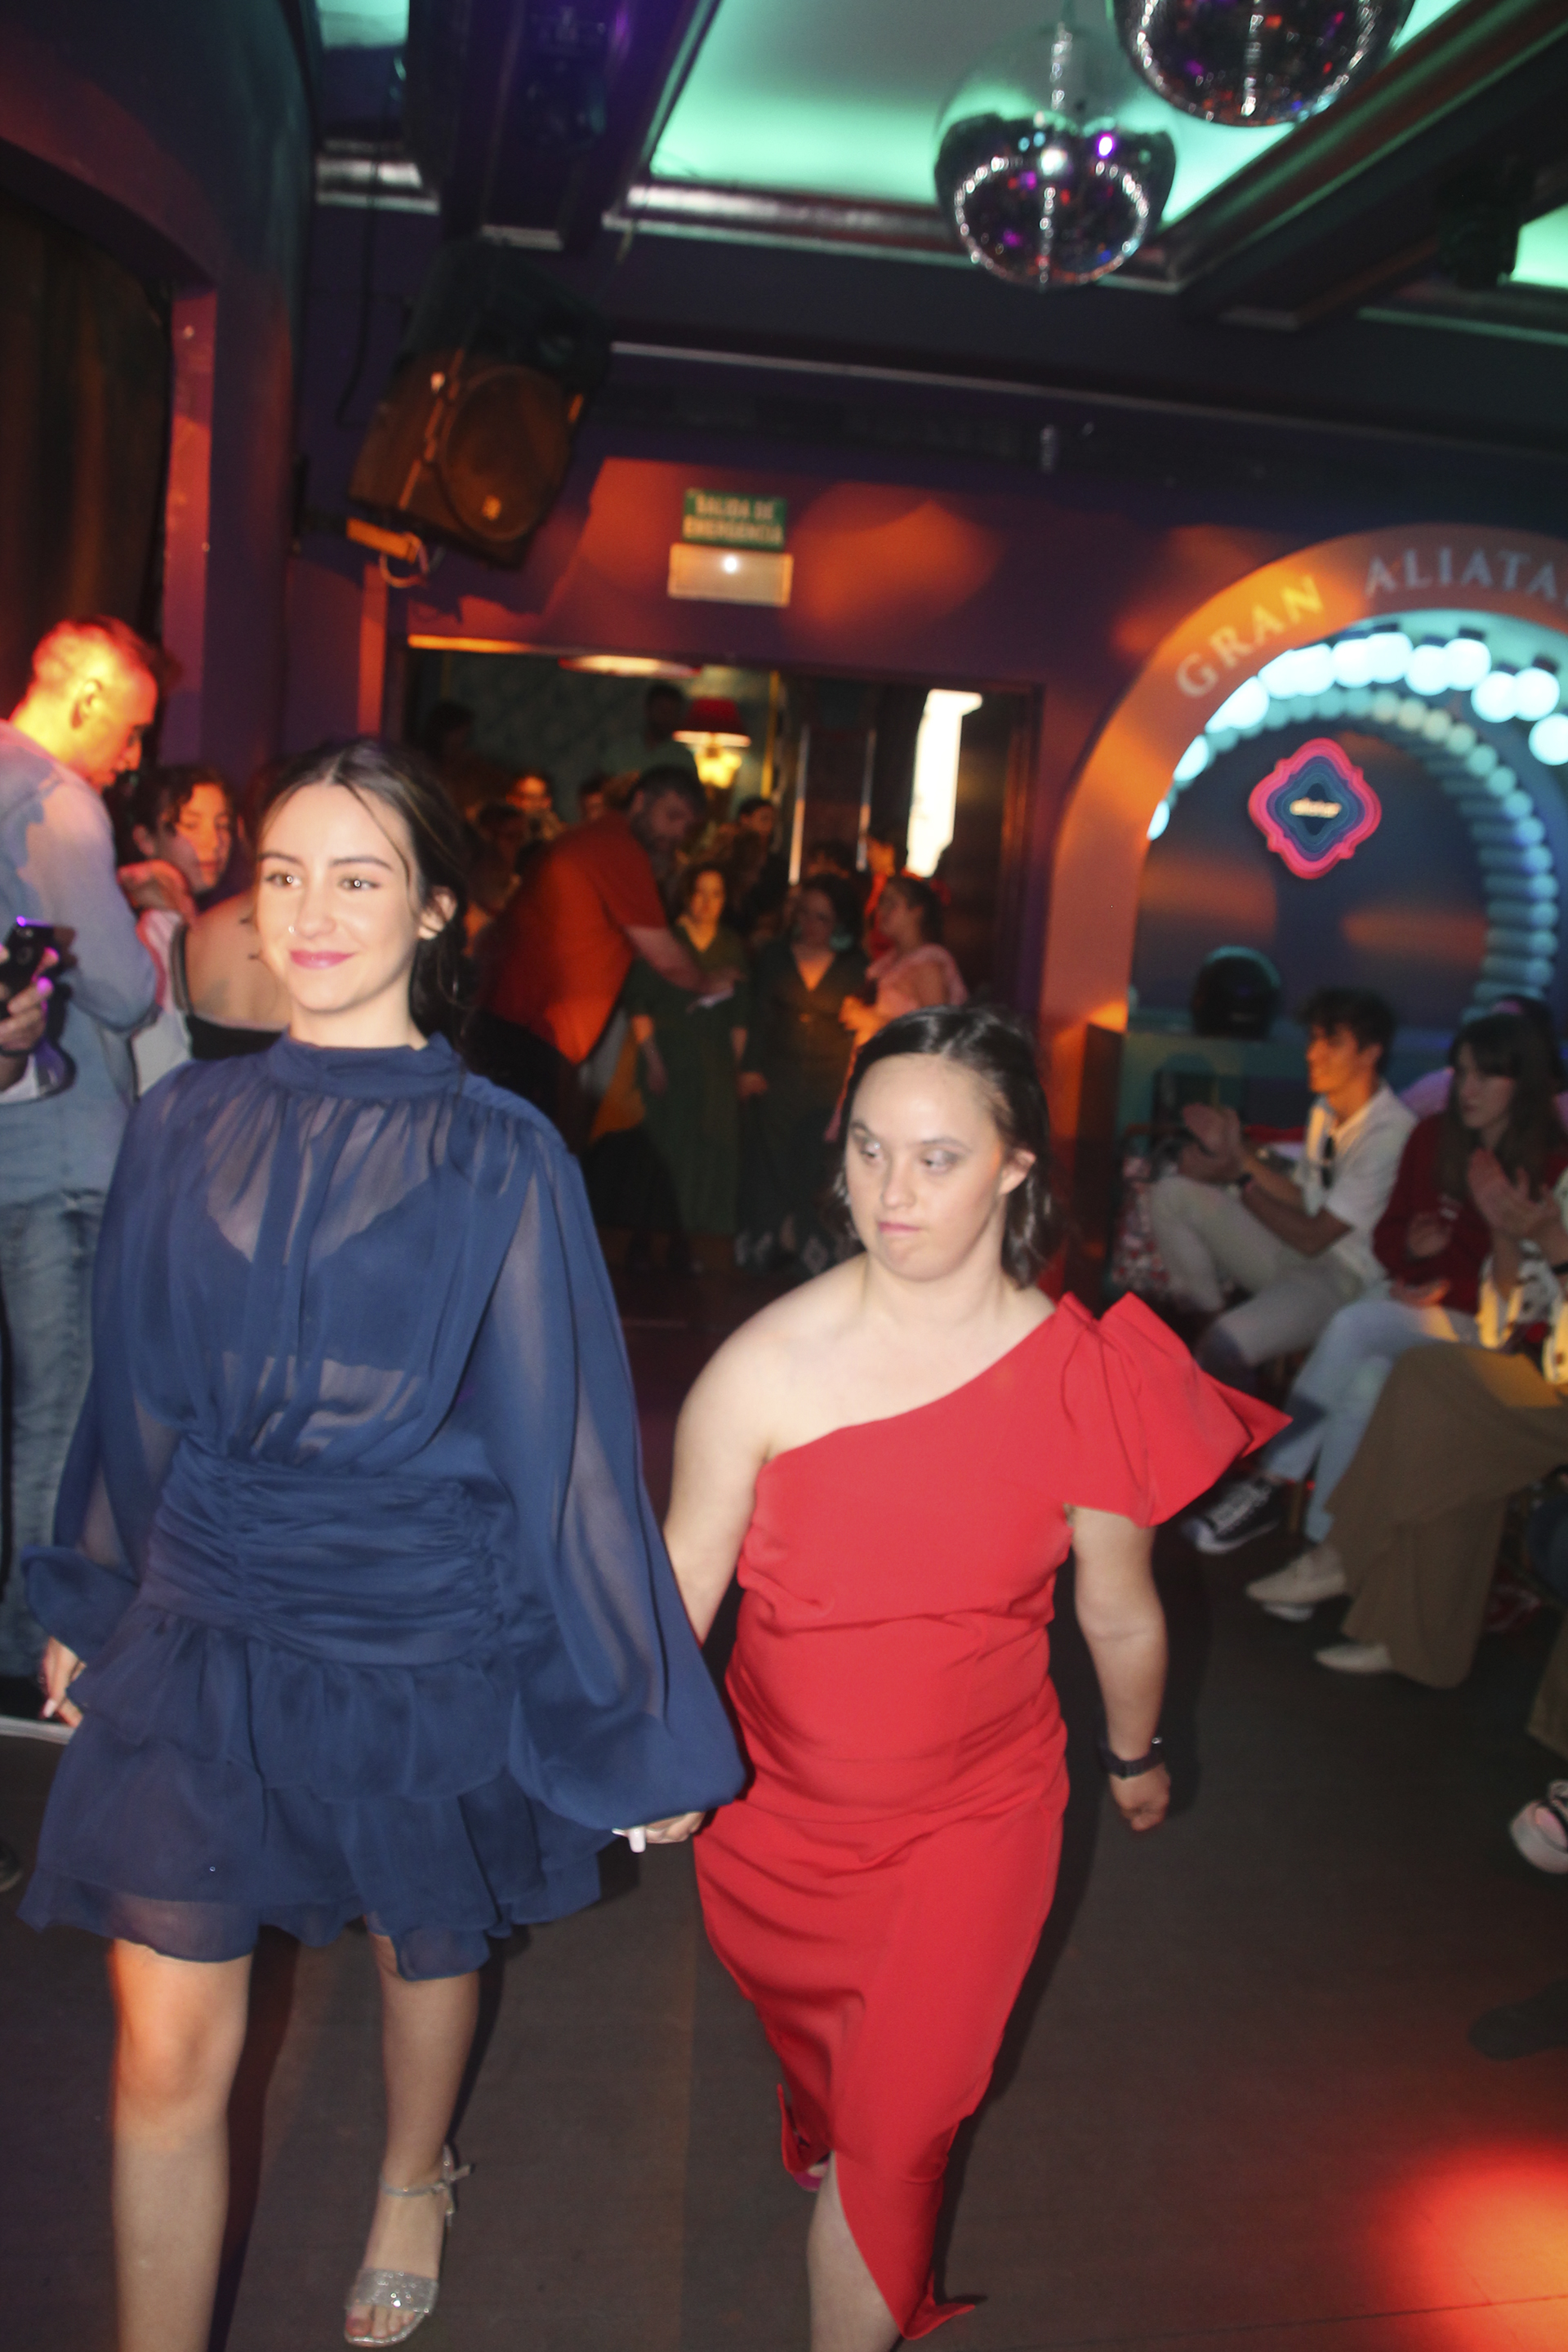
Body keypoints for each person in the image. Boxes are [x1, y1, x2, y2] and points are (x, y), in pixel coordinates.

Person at [21, 738, 741, 2352]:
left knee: (426, 1935)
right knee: (161, 2049)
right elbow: (131, 1387)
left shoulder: (502, 1152)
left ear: (432, 911)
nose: (312, 913)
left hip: (411, 1615)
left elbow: (567, 1454)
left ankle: (414, 2173)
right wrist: (94, 1588)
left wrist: (630, 1710)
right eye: (284, 875)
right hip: (206, 1602)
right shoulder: (184, 1117)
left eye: (359, 878)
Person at [657, 1004, 1281, 2349]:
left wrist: (1133, 1755)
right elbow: (677, 1587)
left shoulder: (1085, 1380)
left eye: (936, 1158)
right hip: (775, 1820)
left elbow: (1119, 1614)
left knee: (897, 2140)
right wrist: (648, 1751)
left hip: (976, 1818)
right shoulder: (761, 1368)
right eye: (868, 1150)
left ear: (1013, 1166)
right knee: (830, 2068)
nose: (890, 1192)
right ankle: (829, 2108)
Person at [1183, 1011, 1568, 1571]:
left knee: (1354, 1325)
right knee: (1364, 1380)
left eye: (1487, 1076)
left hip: (1486, 1326)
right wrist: (1411, 1252)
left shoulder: (1550, 1165)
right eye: (1462, 1073)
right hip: (1406, 1301)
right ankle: (1321, 1549)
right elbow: (1385, 1238)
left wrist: (1445, 1283)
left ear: (1522, 1082)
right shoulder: (1432, 1137)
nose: (1469, 1088)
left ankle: (1273, 1483)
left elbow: (1532, 1292)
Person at [0, 616, 166, 1686]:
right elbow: (122, 987)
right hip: (58, 1159)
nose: (134, 755)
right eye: (134, 728)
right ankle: (30, 1665)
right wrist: (143, 923)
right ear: (89, 696)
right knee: (60, 1423)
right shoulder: (55, 796)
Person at [1147, 987, 1414, 1388]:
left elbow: (1313, 1236)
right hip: (1293, 1254)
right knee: (1171, 1194)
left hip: (1342, 1278)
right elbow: (1303, 1198)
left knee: (1222, 1348)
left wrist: (1238, 1177)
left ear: (1370, 1053)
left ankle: (1224, 1361)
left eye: (1332, 1043)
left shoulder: (1388, 1134)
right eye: (1313, 1039)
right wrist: (1238, 1155)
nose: (1313, 1053)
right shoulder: (1326, 1108)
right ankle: (1215, 1335)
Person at [466, 764, 711, 1145]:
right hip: (529, 1027)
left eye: (687, 826)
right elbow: (666, 959)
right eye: (672, 816)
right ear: (640, 802)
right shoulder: (620, 848)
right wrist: (712, 983)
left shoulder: (597, 839)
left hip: (517, 1020)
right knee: (514, 1155)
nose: (678, 833)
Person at [736, 874, 868, 1276]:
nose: (809, 925)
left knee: (816, 1165)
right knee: (770, 1163)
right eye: (804, 914)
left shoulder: (857, 966)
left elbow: (865, 1027)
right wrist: (749, 1067)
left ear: (840, 922)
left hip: (829, 1081)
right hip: (777, 1077)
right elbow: (759, 1016)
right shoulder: (777, 955)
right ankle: (766, 1248)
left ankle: (814, 1257)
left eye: (821, 918)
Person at [624, 862, 751, 1258]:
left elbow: (740, 1017)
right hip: (669, 1056)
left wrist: (735, 1068)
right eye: (700, 892)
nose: (708, 903)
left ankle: (690, 1242)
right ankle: (646, 1238)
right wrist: (653, 1060)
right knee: (663, 1151)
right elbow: (640, 1004)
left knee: (706, 1152)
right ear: (686, 896)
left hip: (712, 1063)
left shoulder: (731, 946)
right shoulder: (668, 943)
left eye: (717, 894)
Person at [840, 872, 966, 1050]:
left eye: (892, 904)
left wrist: (876, 1022)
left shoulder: (927, 964)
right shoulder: (889, 961)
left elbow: (938, 1034)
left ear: (917, 911)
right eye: (881, 902)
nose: (882, 910)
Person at [603, 682, 701, 786]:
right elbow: (600, 787)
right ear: (648, 710)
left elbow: (693, 792)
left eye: (672, 712)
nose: (666, 717)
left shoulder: (683, 758)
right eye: (661, 710)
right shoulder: (620, 751)